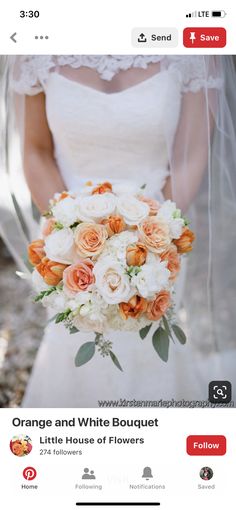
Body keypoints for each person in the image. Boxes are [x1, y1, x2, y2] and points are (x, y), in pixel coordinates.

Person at [2, 54, 236, 407]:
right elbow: (35, 151)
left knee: (150, 342)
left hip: (157, 233)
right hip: (66, 232)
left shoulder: (194, 53)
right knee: (73, 341)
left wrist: (155, 233)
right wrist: (67, 229)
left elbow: (191, 154)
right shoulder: (35, 50)